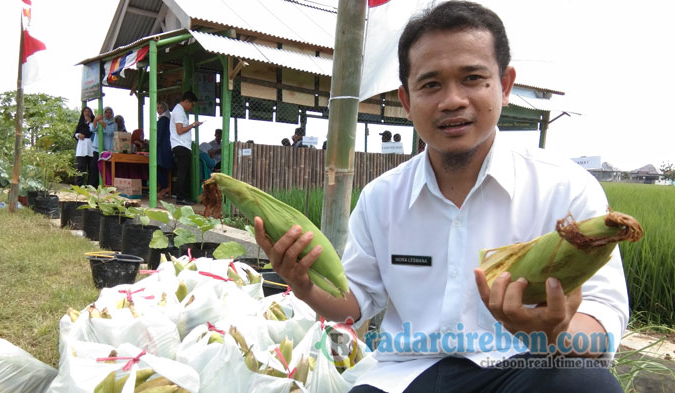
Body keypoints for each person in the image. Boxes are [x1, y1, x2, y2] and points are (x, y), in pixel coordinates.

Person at [253, 2, 627, 393]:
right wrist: (304, 285)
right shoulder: (382, 198)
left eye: (472, 78)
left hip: (522, 370)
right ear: (407, 99)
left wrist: (555, 335)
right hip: (408, 374)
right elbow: (356, 302)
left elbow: (605, 313)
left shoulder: (564, 187)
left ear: (505, 85)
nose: (452, 100)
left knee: (587, 384)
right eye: (431, 84)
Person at [170, 91, 202, 206]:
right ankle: (181, 197)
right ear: (187, 101)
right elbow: (180, 130)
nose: (192, 107)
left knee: (184, 172)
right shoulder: (179, 111)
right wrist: (193, 125)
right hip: (181, 145)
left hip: (181, 145)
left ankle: (183, 196)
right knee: (183, 172)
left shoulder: (179, 110)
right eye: (192, 105)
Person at [74, 106, 94, 186]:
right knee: (80, 167)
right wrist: (78, 135)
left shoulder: (93, 123)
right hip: (82, 147)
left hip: (91, 147)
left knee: (91, 168)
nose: (87, 113)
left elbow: (93, 131)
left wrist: (90, 122)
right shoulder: (81, 123)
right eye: (85, 111)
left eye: (89, 111)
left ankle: (91, 185)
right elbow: (75, 133)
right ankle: (78, 185)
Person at [156, 102, 173, 198]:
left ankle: (164, 187)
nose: (159, 110)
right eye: (157, 108)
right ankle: (164, 187)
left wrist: (153, 146)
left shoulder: (163, 119)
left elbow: (159, 135)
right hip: (166, 147)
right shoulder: (167, 119)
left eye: (161, 108)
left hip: (162, 148)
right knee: (163, 169)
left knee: (158, 168)